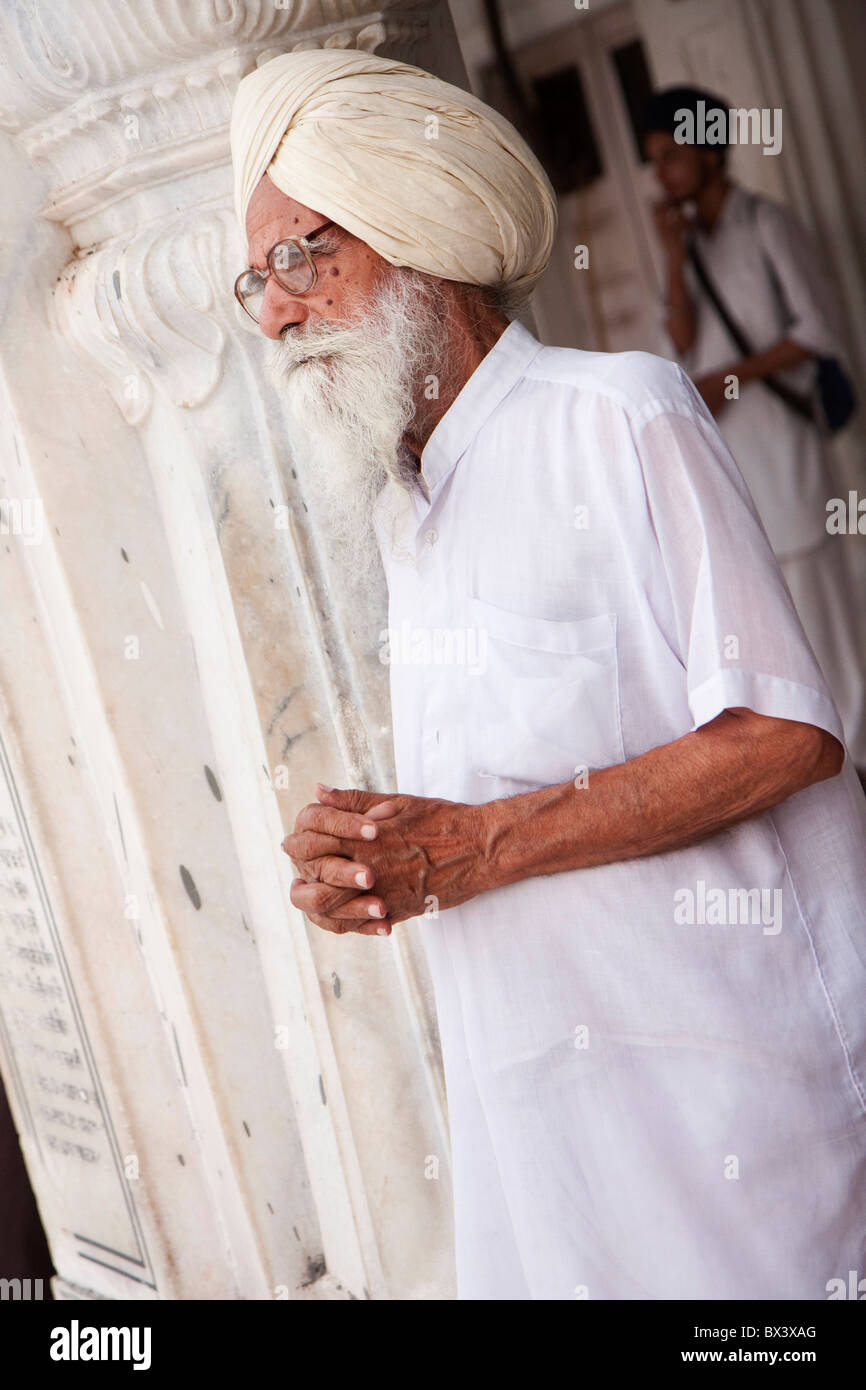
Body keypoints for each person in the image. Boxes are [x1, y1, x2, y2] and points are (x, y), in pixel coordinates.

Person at [231, 50, 866, 1300]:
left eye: (302, 255)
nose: (272, 310)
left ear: (417, 234)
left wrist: (469, 846)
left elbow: (783, 736)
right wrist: (381, 851)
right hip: (555, 1136)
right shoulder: (402, 515)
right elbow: (491, 796)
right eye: (255, 278)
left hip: (728, 1115)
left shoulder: (618, 416)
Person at [644, 85, 866, 777]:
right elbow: (679, 341)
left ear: (710, 150)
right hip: (735, 459)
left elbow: (819, 330)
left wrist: (729, 377)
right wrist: (674, 258)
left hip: (786, 447)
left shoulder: (767, 224)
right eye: (655, 160)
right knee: (781, 621)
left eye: (674, 156)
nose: (664, 174)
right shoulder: (689, 243)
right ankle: (836, 766)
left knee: (830, 617)